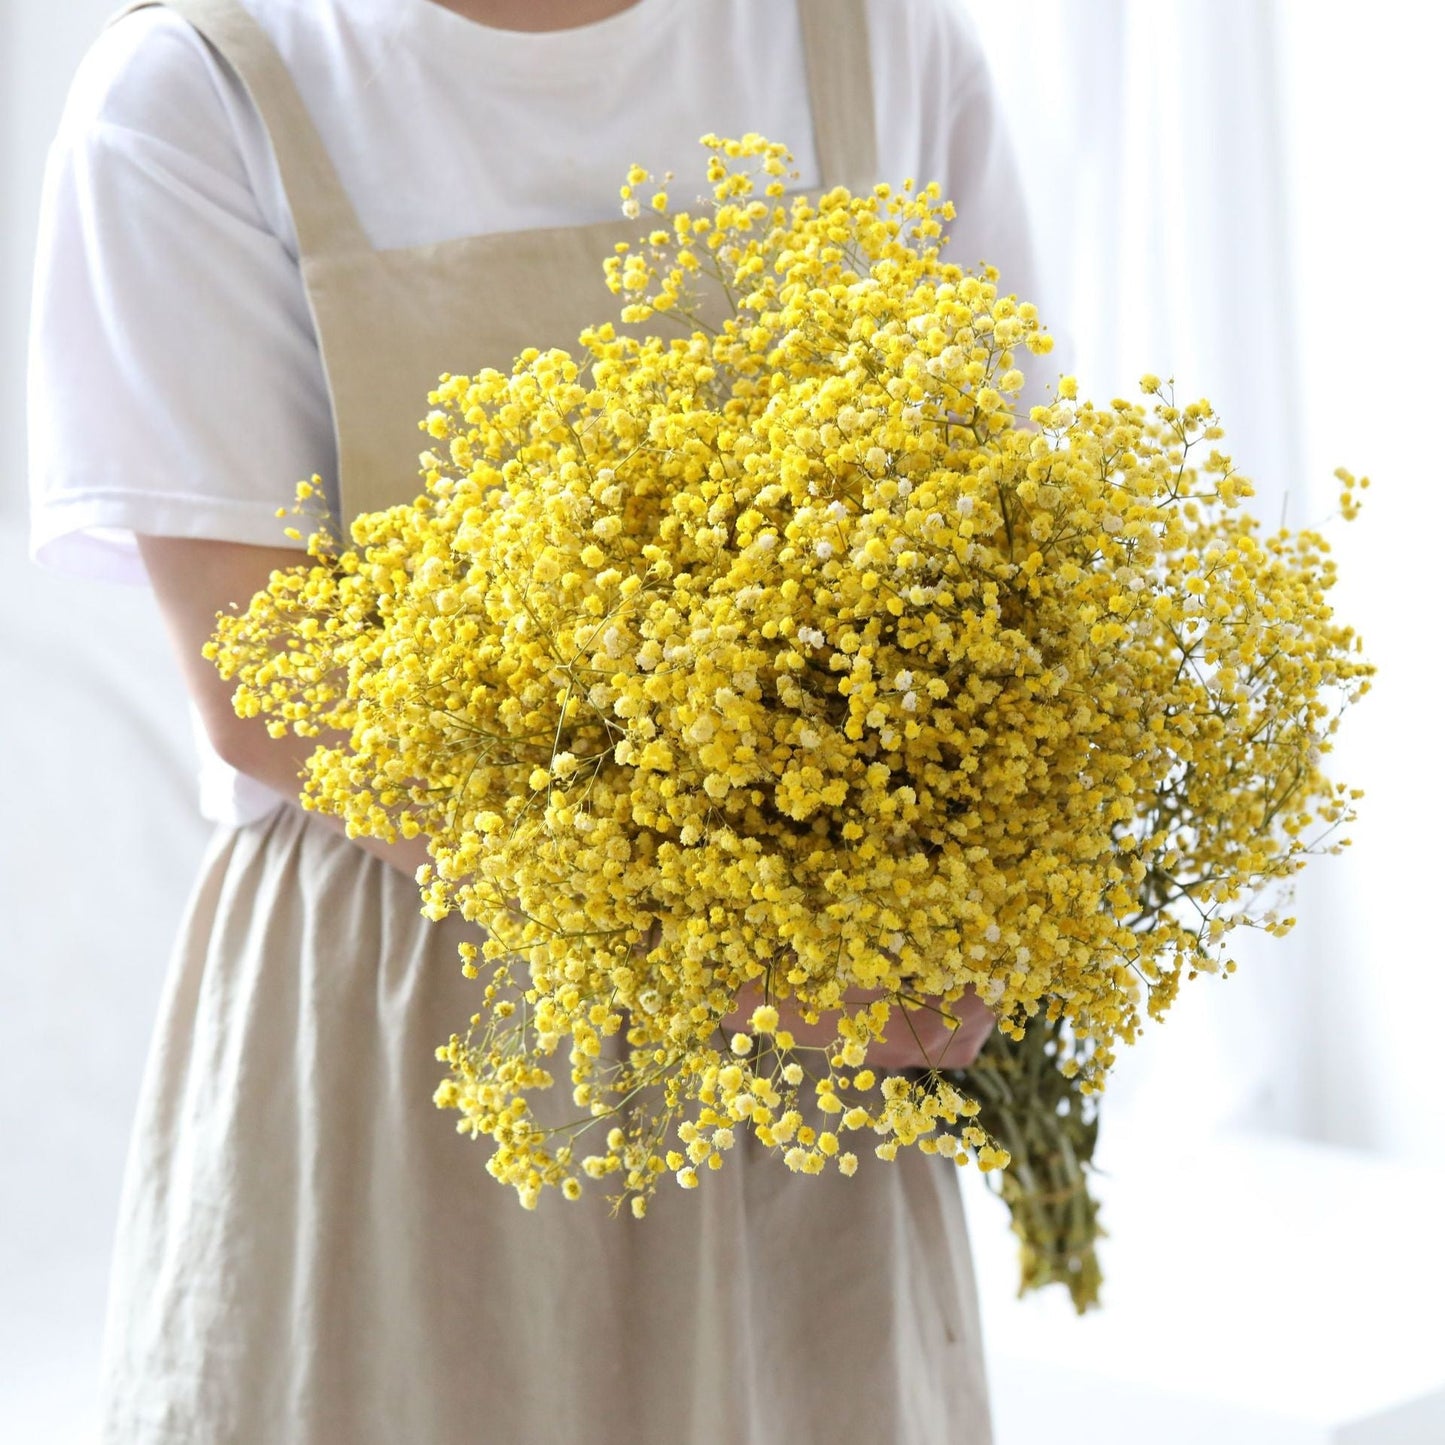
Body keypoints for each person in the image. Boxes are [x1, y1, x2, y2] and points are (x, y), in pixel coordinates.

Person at [27, 1, 1047, 1439]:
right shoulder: (197, 87)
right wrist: (745, 964)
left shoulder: (876, 41)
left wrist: (989, 890)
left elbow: (1001, 555)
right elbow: (272, 685)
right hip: (413, 1015)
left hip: (818, 1059)